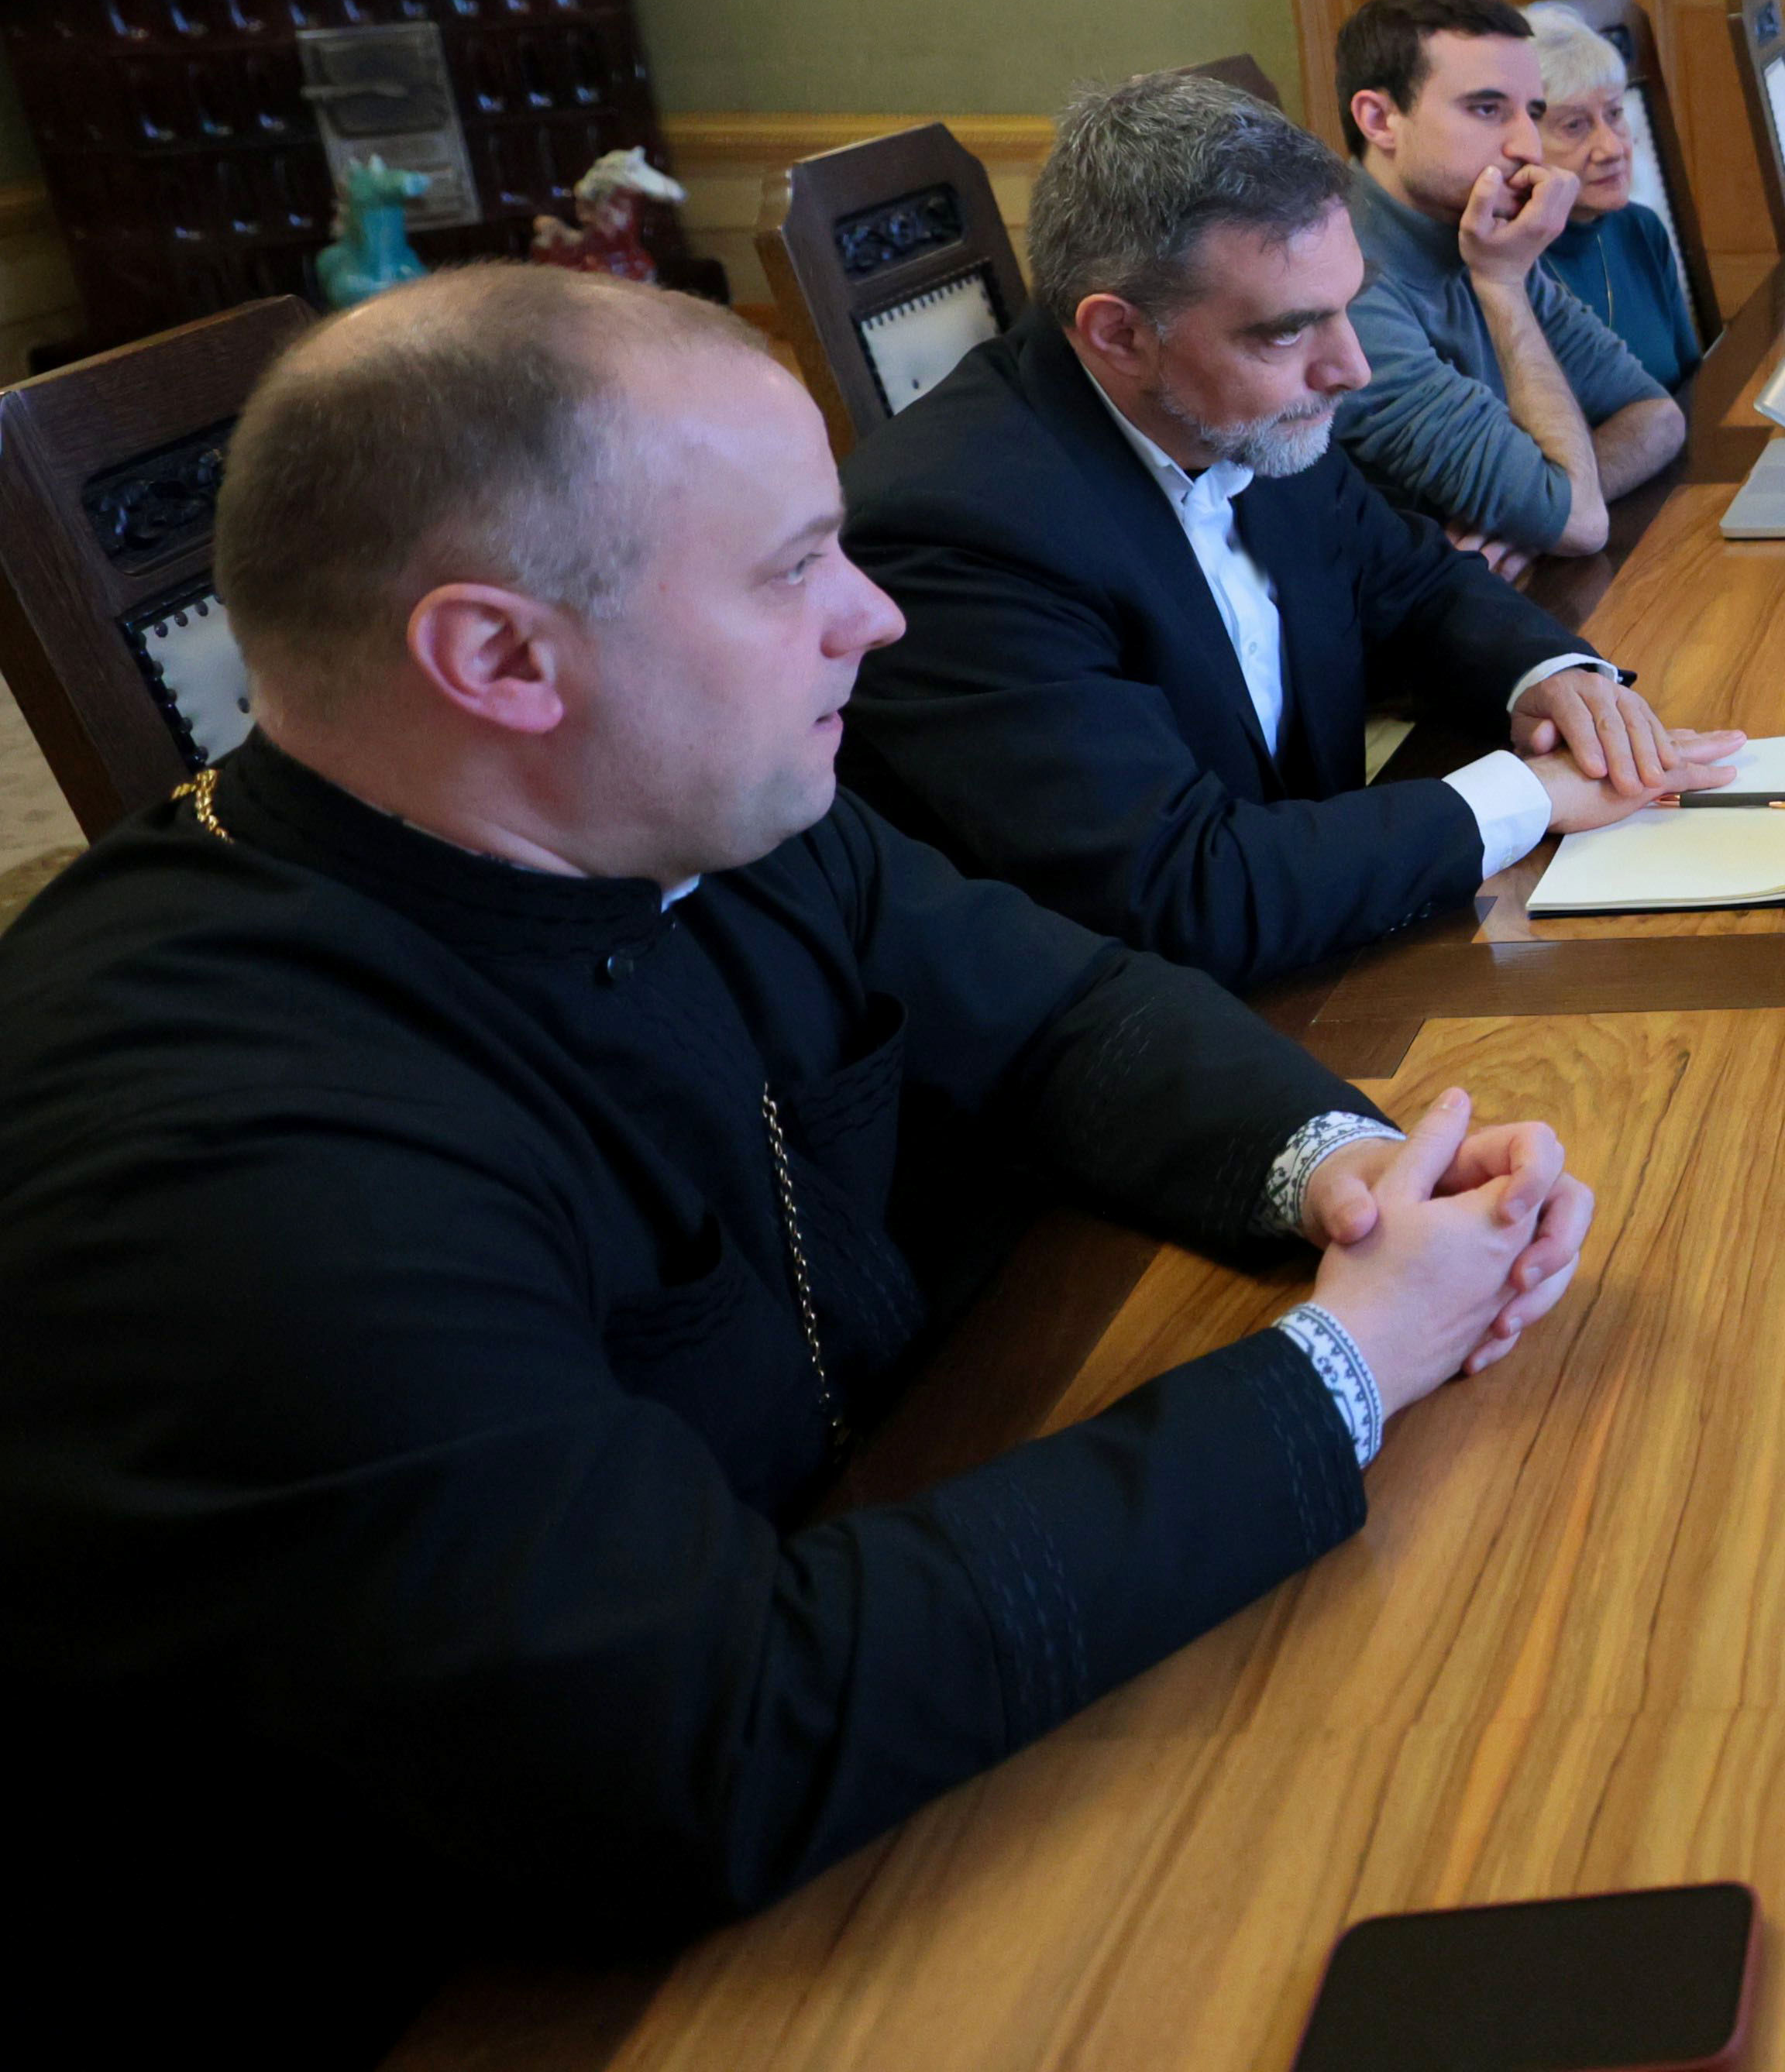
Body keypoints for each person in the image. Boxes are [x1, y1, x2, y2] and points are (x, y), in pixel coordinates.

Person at [0, 268, 1596, 2059]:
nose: (874, 616)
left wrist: (1349, 1175)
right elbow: (705, 1735)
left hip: (880, 1700)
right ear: (503, 658)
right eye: (790, 570)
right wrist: (1346, 1365)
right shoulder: (226, 1152)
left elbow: (1060, 1009)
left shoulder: (680, 796)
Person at [843, 71, 1737, 991]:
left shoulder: (1237, 411)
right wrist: (1525, 796)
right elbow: (1183, 892)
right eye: (1287, 332)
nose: (1351, 367)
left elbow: (1412, 582)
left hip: (1321, 956)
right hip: (1114, 1025)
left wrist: (1550, 680)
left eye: (1350, 303)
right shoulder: (954, 531)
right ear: (1118, 334)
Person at [1335, 0, 1690, 571]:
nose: (1527, 146)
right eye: (1487, 109)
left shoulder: (1478, 232)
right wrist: (1501, 285)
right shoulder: (1346, 290)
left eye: (1534, 114)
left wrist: (1534, 517)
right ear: (1380, 120)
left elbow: (1657, 415)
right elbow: (1579, 524)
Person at [1525, 0, 1708, 391]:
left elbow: (1694, 387)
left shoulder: (1641, 229)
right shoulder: (1502, 270)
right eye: (1574, 126)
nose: (1612, 148)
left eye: (1614, 114)